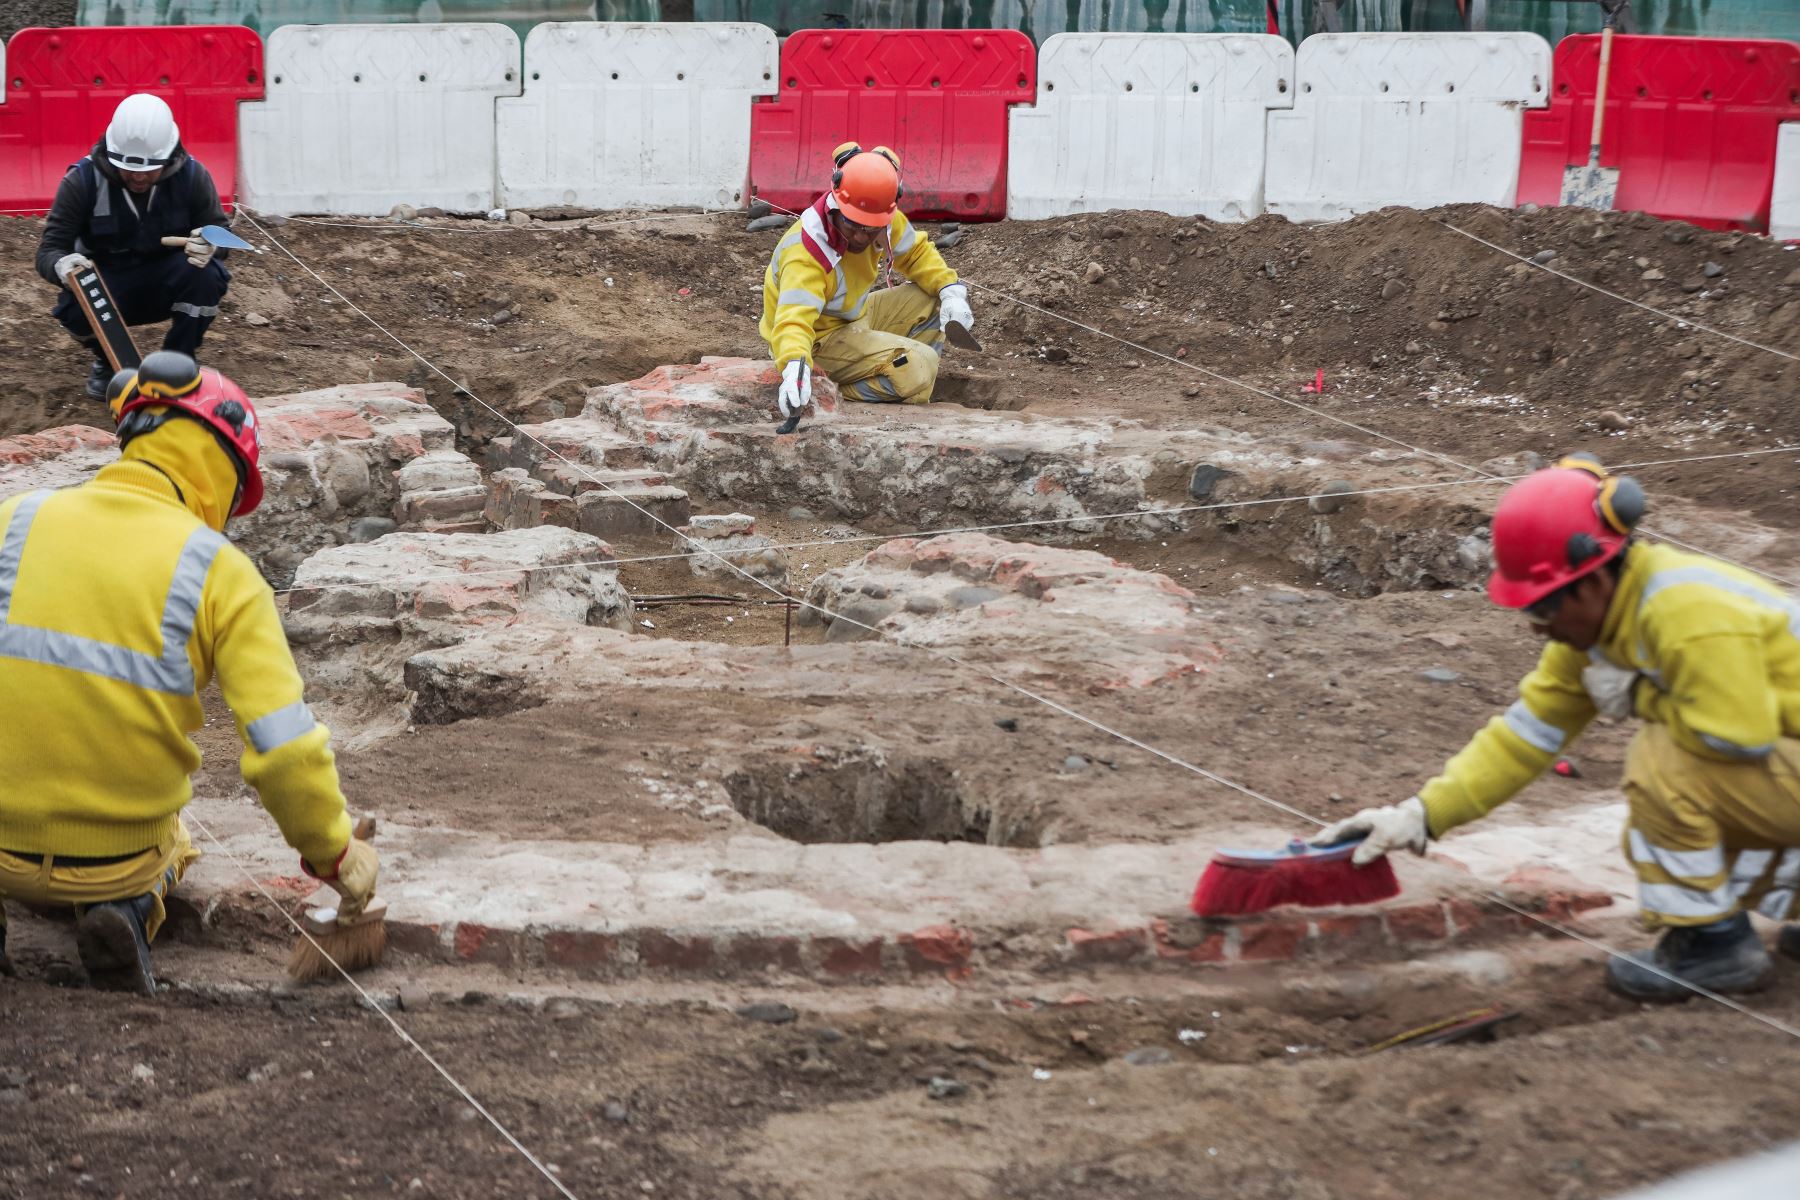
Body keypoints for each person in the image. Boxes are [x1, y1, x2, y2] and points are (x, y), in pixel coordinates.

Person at [1314, 457, 1800, 999]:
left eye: (1544, 604)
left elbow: (1738, 736)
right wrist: (1418, 816)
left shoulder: (1686, 613)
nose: (1537, 623)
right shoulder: (1596, 631)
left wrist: (1639, 697)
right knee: (1670, 815)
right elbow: (1525, 737)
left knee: (1666, 771)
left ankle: (1716, 947)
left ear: (1592, 579)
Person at [0, 352, 375, 993]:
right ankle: (128, 911)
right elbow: (284, 752)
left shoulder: (16, 519)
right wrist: (336, 855)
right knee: (175, 838)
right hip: (113, 862)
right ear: (219, 467)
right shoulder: (220, 572)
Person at [33, 93, 234, 401]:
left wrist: (210, 245)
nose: (138, 176)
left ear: (168, 158)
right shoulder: (82, 181)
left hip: (169, 277)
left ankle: (178, 362)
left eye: (150, 168)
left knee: (208, 275)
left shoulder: (192, 176)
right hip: (109, 282)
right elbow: (49, 250)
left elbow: (219, 231)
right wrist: (63, 266)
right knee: (73, 307)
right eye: (128, 168)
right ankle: (109, 362)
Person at [760, 143, 975, 420]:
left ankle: (910, 384)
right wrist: (794, 365)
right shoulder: (807, 253)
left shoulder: (877, 215)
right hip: (817, 340)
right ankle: (847, 387)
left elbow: (916, 253)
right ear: (836, 205)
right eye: (853, 226)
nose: (862, 237)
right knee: (918, 366)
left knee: (932, 300)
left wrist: (950, 290)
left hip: (853, 319)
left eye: (870, 228)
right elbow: (793, 321)